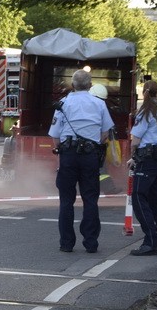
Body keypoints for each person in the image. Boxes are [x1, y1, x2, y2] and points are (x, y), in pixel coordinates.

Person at [49, 69, 114, 253]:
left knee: (66, 201)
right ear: (91, 85)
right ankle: (91, 242)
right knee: (90, 199)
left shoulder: (63, 103)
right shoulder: (99, 104)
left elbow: (55, 135)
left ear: (72, 85)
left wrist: (60, 150)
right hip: (90, 156)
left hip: (68, 155)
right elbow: (105, 133)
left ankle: (66, 243)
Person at [128, 81, 157, 256]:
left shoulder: (146, 112)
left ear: (144, 92)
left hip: (146, 158)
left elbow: (136, 139)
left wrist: (133, 156)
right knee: (156, 199)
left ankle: (151, 241)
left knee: (138, 196)